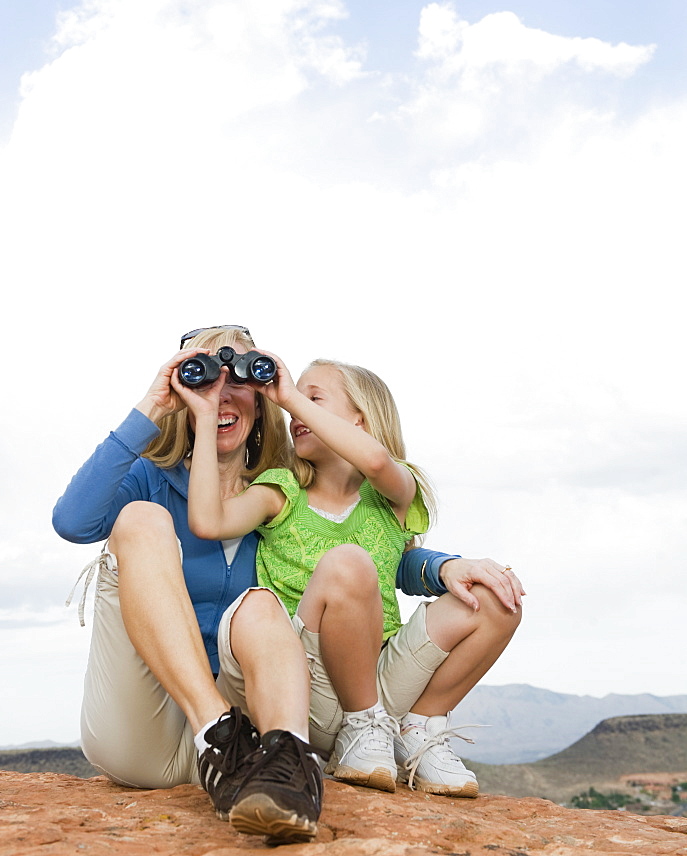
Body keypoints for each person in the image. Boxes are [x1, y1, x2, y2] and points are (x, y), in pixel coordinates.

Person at [53, 325, 462, 841]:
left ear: (262, 395)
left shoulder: (282, 490)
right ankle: (215, 733)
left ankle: (291, 769)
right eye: (203, 381)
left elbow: (367, 553)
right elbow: (73, 522)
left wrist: (439, 566)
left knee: (261, 605)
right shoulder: (149, 477)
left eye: (238, 380)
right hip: (149, 725)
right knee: (139, 520)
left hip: (251, 739)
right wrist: (152, 405)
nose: (220, 396)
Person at [185, 353, 525, 798]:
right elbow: (208, 522)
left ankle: (417, 727)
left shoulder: (395, 493)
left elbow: (380, 465)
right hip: (309, 682)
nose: (293, 412)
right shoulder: (281, 490)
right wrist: (206, 417)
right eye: (292, 404)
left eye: (313, 399)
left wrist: (287, 394)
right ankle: (359, 726)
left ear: (359, 420)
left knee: (496, 594)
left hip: (382, 678)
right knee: (349, 563)